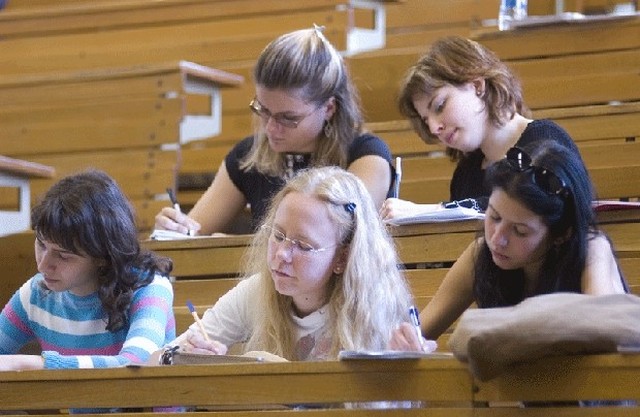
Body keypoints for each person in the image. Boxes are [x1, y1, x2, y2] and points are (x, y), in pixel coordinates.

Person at [156, 26, 395, 236]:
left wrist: (242, 247)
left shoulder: (366, 156)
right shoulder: (248, 156)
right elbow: (194, 233)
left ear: (329, 108)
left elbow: (338, 244)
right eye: (263, 110)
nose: (270, 128)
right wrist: (176, 230)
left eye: (288, 118)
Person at [167, 166, 426, 360]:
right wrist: (190, 356)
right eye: (278, 235)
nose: (281, 255)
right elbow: (159, 360)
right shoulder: (257, 291)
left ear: (342, 258)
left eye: (303, 246)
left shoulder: (375, 308)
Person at [389, 140, 628, 350]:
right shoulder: (481, 252)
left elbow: (601, 325)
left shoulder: (592, 248)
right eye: (493, 217)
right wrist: (407, 341)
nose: (497, 239)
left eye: (520, 231)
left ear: (561, 235)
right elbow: (421, 331)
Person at [381, 35, 580, 221]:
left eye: (440, 106)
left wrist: (435, 210)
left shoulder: (545, 140)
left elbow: (529, 206)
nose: (434, 128)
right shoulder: (466, 173)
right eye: (426, 120)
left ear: (477, 86)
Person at [0, 170, 176, 371]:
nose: (42, 265)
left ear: (101, 257)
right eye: (41, 244)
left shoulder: (150, 286)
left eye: (63, 255)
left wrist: (28, 363)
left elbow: (136, 364)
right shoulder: (36, 293)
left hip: (141, 402)